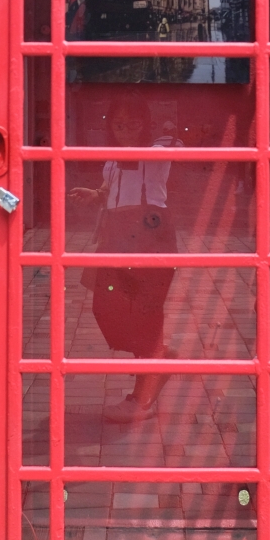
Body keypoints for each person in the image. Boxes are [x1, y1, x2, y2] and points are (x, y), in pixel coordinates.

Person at [68, 90, 177, 420]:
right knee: (105, 307)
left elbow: (172, 146)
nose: (126, 131)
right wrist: (94, 195)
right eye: (119, 125)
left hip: (149, 239)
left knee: (144, 315)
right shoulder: (113, 158)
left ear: (145, 124)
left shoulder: (159, 152)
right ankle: (158, 358)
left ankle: (141, 399)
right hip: (117, 239)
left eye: (133, 124)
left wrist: (170, 130)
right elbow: (109, 189)